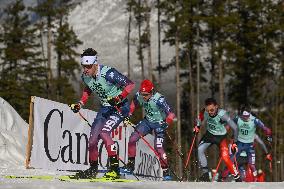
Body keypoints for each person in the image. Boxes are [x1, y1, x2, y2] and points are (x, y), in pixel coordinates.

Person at [70, 48, 135, 179]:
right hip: (105, 108)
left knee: (105, 132)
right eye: (84, 66)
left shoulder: (108, 73)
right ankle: (93, 169)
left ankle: (115, 169)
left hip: (120, 107)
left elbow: (130, 85)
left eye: (88, 66)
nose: (86, 70)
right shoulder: (85, 76)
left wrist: (118, 98)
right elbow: (89, 88)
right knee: (93, 140)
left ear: (95, 64)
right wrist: (80, 103)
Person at [126, 79, 175, 180]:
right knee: (132, 139)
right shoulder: (139, 95)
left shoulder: (159, 99)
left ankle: (166, 171)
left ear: (151, 92)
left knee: (158, 147)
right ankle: (131, 164)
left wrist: (166, 123)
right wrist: (129, 114)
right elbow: (134, 103)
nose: (143, 97)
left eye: (146, 95)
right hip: (147, 122)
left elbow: (171, 113)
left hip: (159, 124)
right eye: (142, 94)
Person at [193, 98, 241, 182]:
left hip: (221, 137)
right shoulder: (205, 111)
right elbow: (200, 117)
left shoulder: (222, 115)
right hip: (210, 135)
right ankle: (206, 175)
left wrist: (234, 142)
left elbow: (235, 128)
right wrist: (197, 126)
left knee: (225, 157)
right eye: (208, 110)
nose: (210, 112)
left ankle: (236, 176)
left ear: (216, 107)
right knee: (200, 149)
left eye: (212, 110)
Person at [230, 105, 272, 181]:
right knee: (231, 160)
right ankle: (230, 176)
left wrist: (267, 131)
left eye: (247, 116)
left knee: (252, 165)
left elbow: (264, 128)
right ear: (241, 114)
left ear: (249, 114)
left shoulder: (254, 120)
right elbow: (229, 122)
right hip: (240, 144)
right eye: (244, 116)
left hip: (249, 146)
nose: (245, 118)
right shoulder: (238, 118)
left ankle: (256, 179)